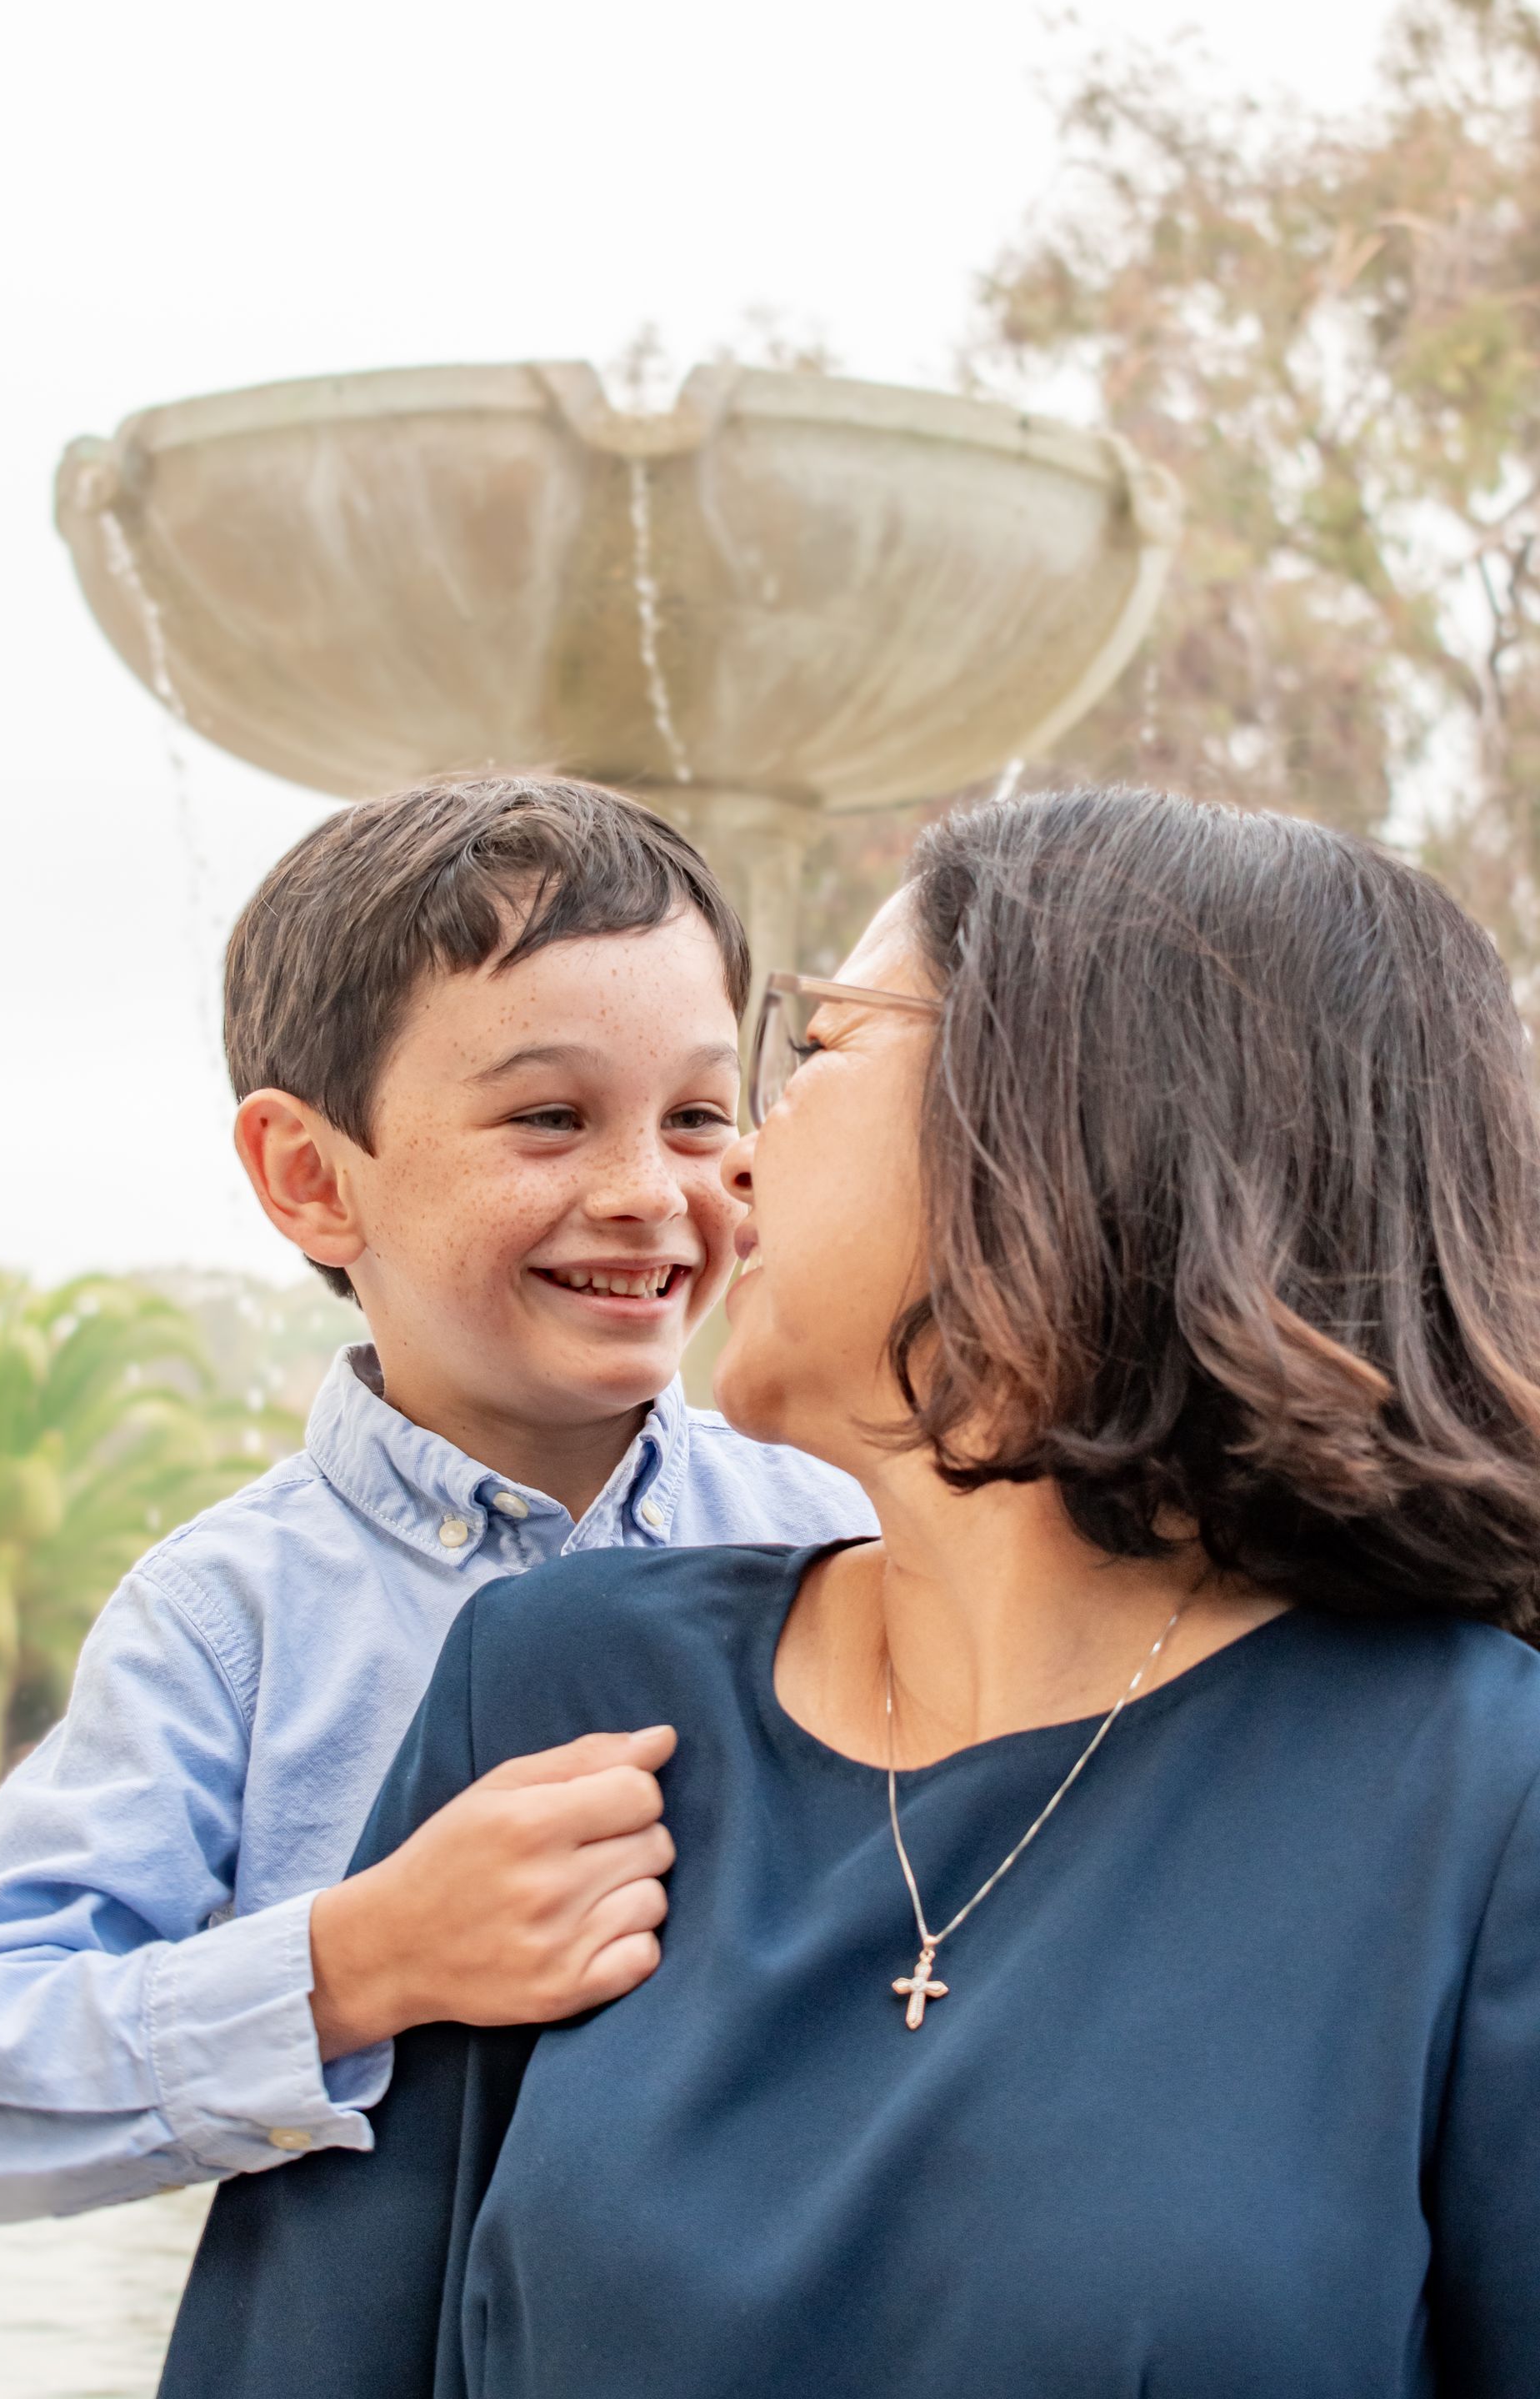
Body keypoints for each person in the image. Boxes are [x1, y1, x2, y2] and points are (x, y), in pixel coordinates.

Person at [165, 785, 1540, 2399]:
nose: (732, 1158)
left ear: (1069, 1123)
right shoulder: (555, 1685)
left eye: (818, 1050)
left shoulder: (1480, 1798)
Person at [0, 775, 872, 2226]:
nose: (649, 1189)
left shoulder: (840, 1528)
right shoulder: (232, 1622)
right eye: (552, 1117)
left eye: (698, 1115)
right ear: (311, 1175)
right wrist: (359, 1963)